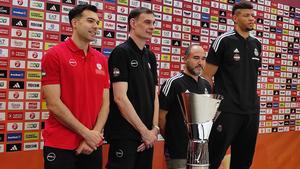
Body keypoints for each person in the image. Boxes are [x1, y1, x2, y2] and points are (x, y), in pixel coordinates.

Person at [41, 4, 110, 169]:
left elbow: (105, 102)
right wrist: (87, 134)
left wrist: (93, 136)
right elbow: (53, 104)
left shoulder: (101, 59)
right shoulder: (54, 55)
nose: (95, 26)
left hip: (92, 144)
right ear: (75, 23)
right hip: (60, 144)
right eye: (90, 21)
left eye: (97, 22)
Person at [202, 1, 262, 169]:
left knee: (243, 162)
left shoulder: (256, 44)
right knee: (212, 159)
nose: (251, 18)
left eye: (252, 15)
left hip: (250, 112)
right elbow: (206, 75)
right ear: (235, 18)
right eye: (246, 15)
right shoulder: (223, 41)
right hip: (227, 111)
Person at [104, 7, 159, 169]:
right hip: (125, 134)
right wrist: (143, 131)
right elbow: (120, 98)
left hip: (147, 136)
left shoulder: (150, 56)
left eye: (154, 23)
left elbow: (154, 95)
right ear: (133, 23)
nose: (152, 27)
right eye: (147, 22)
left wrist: (154, 129)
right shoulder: (121, 52)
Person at [159, 44, 211, 169]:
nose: (200, 62)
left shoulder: (206, 85)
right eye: (196, 58)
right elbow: (160, 117)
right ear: (185, 59)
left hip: (200, 152)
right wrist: (173, 138)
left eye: (203, 59)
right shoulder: (173, 83)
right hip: (178, 151)